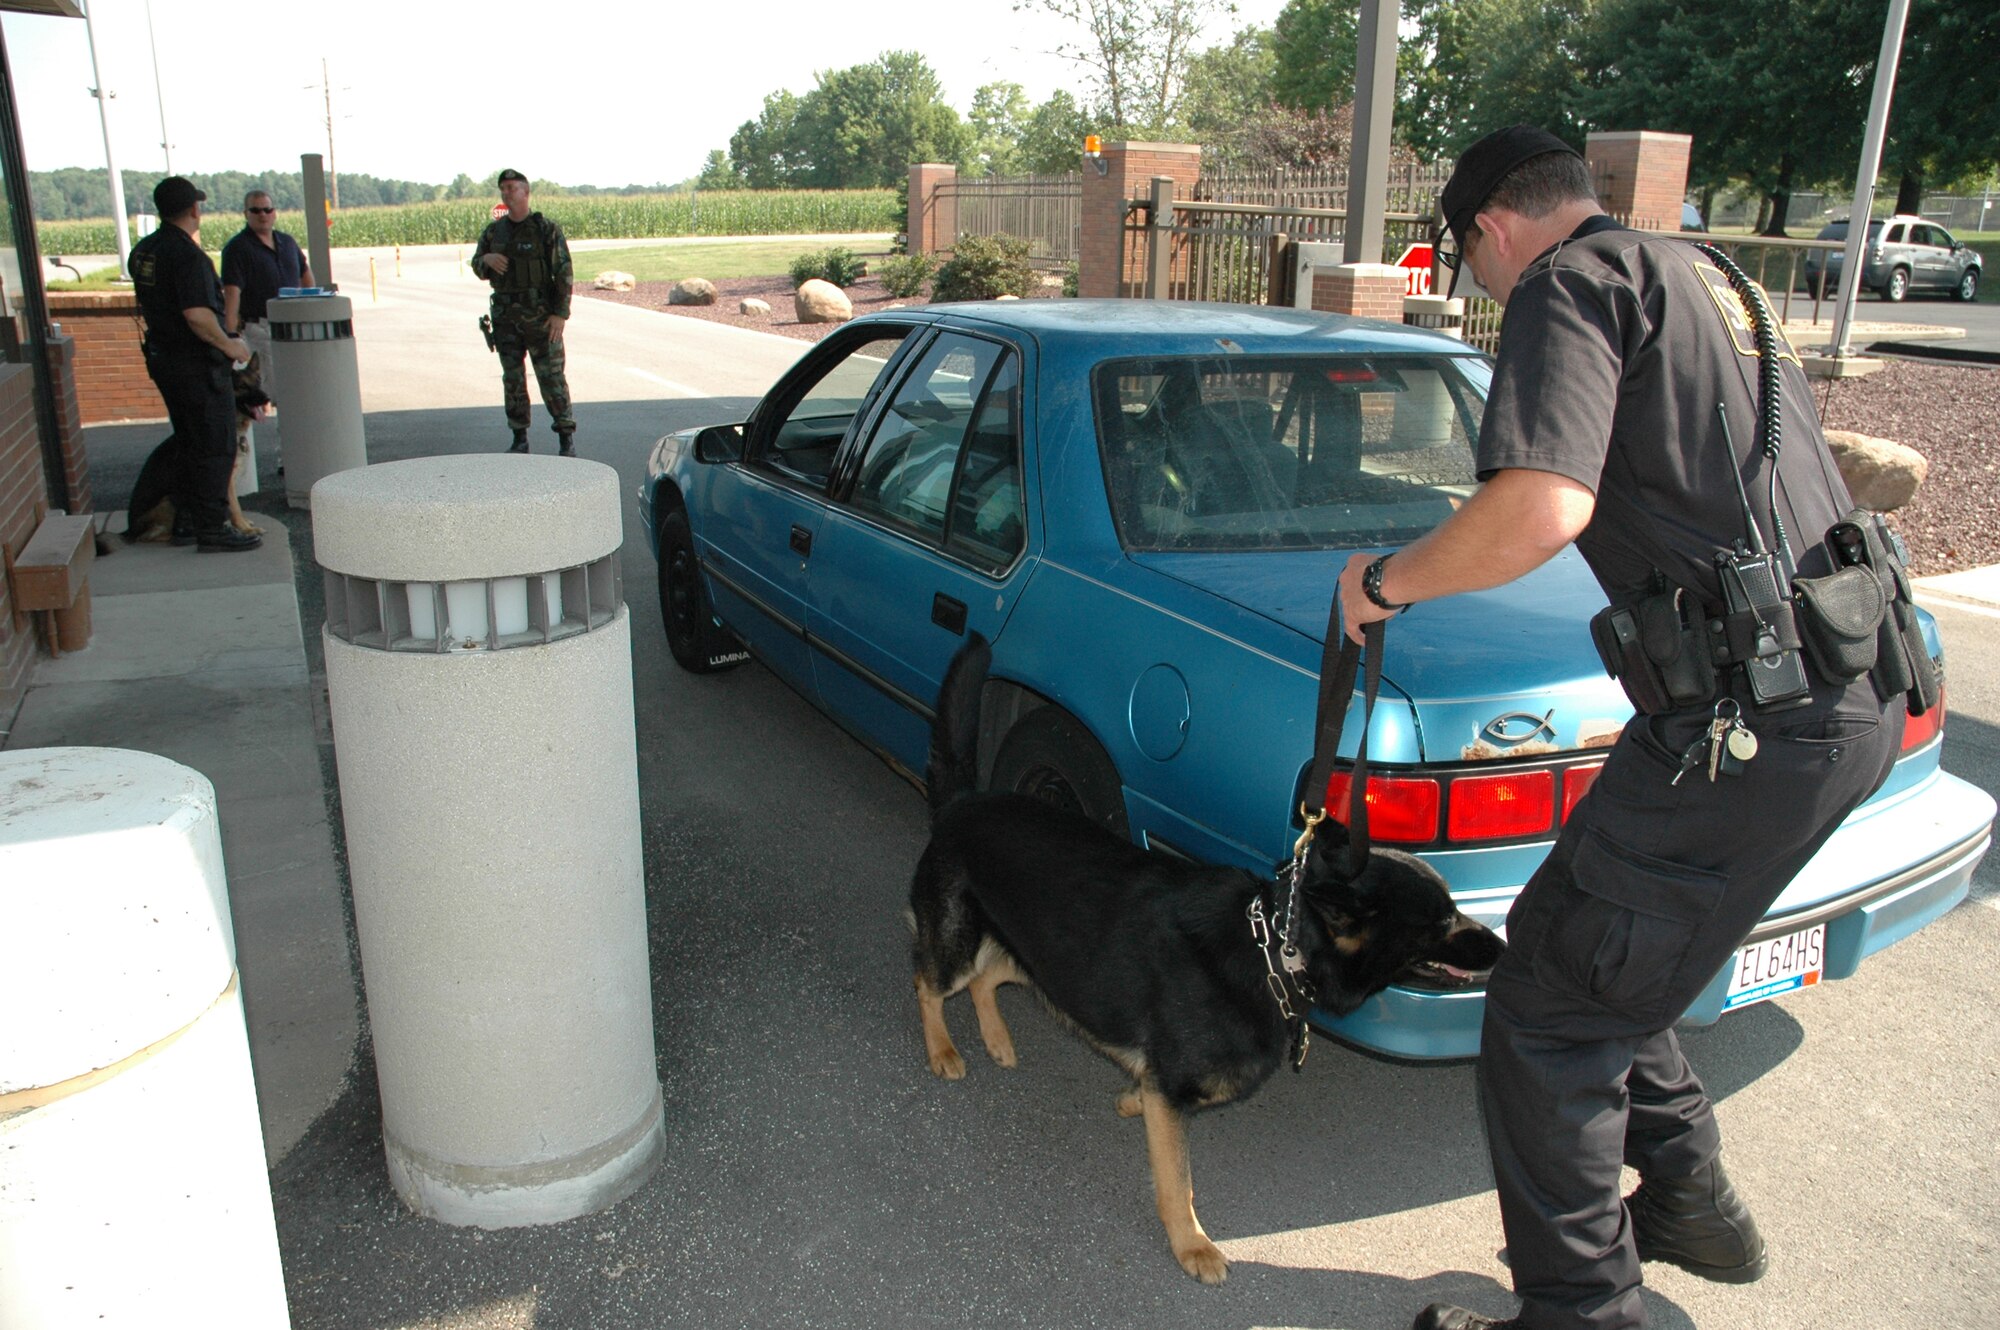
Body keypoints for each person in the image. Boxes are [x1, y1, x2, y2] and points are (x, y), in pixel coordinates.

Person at [1335, 127, 1906, 1330]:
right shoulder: (1706, 275)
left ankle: (1583, 1312)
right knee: (1573, 939)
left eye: (1463, 256)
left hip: (1743, 728)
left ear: (1488, 226)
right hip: (1832, 697)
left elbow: (1541, 505)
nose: (1479, 284)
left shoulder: (1566, 285)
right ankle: (1687, 1198)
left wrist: (1385, 583)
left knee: (1547, 1018)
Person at [129, 176, 260, 553]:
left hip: (164, 359)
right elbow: (198, 315)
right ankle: (213, 529)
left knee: (187, 442)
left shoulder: (144, 251)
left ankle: (187, 520)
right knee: (214, 448)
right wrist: (229, 346)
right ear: (193, 209)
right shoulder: (187, 256)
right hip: (195, 365)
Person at [470, 168, 575, 455]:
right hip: (506, 320)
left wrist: (560, 314)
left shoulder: (545, 229)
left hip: (541, 317)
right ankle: (519, 438)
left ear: (526, 192)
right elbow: (477, 266)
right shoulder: (494, 232)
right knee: (513, 379)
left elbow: (563, 271)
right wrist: (487, 259)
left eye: (512, 188)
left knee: (552, 377)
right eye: (503, 188)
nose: (507, 193)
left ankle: (566, 437)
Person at [221, 189, 314, 403]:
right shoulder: (237, 248)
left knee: (300, 388)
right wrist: (231, 334)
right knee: (280, 393)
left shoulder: (287, 242)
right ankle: (287, 435)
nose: (262, 214)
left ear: (274, 213)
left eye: (267, 209)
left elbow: (305, 275)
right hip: (261, 329)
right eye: (256, 210)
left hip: (294, 328)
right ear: (246, 214)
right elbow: (232, 293)